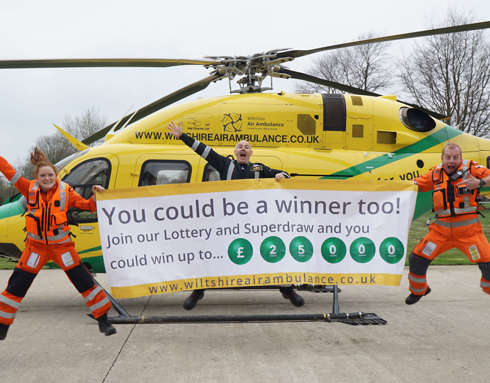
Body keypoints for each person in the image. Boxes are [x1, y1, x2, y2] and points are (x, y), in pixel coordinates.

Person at [168, 121, 305, 310]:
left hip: (253, 225)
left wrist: (281, 176)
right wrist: (183, 136)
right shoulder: (226, 165)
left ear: (250, 153)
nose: (243, 148)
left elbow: (283, 174)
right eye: (240, 146)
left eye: (247, 147)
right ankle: (198, 290)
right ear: (235, 152)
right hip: (228, 223)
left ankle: (287, 289)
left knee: (272, 251)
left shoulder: (258, 168)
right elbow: (205, 151)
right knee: (209, 252)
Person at [0, 148, 116, 340]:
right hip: (35, 250)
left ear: (56, 175)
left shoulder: (66, 192)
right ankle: (3, 325)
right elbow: (9, 172)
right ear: (36, 178)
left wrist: (97, 196)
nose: (47, 178)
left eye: (50, 175)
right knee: (16, 286)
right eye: (43, 176)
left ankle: (103, 321)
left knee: (84, 282)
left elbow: (88, 206)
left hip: (63, 249)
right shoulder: (29, 189)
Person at [406, 142, 490, 304]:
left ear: (461, 158)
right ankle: (419, 290)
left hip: (470, 234)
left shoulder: (471, 169)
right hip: (440, 233)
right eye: (448, 158)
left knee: (488, 265)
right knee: (417, 259)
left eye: (455, 157)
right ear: (442, 158)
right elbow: (414, 185)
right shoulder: (435, 174)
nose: (451, 161)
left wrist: (479, 183)